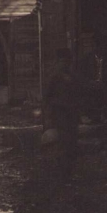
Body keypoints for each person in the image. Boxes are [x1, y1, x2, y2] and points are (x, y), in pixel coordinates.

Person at [43, 47, 82, 181]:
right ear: (59, 60)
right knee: (62, 142)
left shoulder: (72, 76)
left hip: (71, 113)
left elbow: (78, 94)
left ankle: (68, 171)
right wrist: (48, 115)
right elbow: (47, 96)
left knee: (72, 142)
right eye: (63, 61)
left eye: (68, 61)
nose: (66, 63)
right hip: (59, 112)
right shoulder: (54, 76)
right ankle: (61, 172)